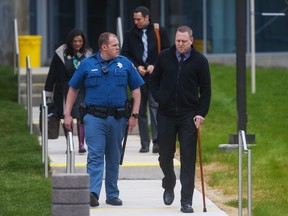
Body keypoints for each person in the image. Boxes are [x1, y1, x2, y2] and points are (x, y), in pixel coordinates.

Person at [63, 32, 144, 207]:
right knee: (95, 155)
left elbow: (137, 91)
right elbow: (73, 90)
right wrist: (67, 114)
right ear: (104, 47)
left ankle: (112, 194)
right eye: (114, 45)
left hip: (118, 118)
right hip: (94, 118)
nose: (118, 47)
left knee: (114, 157)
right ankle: (92, 192)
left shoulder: (125, 63)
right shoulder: (87, 64)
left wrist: (134, 115)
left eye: (118, 44)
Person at [150, 26, 211, 213]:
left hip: (188, 115)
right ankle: (169, 182)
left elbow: (206, 92)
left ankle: (186, 200)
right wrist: (160, 97)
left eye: (184, 41)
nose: (180, 44)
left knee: (188, 158)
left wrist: (201, 113)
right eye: (177, 41)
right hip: (166, 114)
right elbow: (154, 82)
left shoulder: (200, 61)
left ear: (191, 40)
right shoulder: (164, 57)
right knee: (164, 156)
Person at [121, 5, 170, 153]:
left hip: (155, 77)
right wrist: (137, 67)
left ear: (147, 18)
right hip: (138, 77)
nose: (136, 22)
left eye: (139, 19)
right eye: (134, 19)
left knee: (155, 108)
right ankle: (144, 143)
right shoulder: (130, 34)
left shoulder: (158, 31)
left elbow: (167, 51)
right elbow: (125, 54)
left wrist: (155, 65)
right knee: (140, 110)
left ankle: (157, 141)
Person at [44, 28, 92, 153]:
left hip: (82, 90)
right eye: (75, 41)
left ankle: (81, 144)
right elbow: (52, 75)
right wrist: (48, 94)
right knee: (67, 116)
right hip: (64, 90)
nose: (77, 44)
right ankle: (69, 143)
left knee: (82, 116)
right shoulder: (61, 54)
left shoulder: (87, 54)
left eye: (80, 41)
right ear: (70, 41)